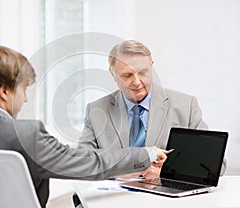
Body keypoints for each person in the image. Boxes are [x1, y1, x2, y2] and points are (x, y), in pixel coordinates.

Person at [0, 46, 168, 208]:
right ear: (4, 92)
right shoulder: (27, 136)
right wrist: (146, 154)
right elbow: (90, 162)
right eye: (24, 90)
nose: (26, 99)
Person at [78, 40, 226, 177]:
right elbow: (81, 163)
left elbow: (217, 165)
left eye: (143, 72)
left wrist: (167, 171)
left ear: (151, 66)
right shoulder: (96, 111)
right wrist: (123, 171)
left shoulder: (185, 106)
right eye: (127, 75)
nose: (137, 82)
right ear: (113, 75)